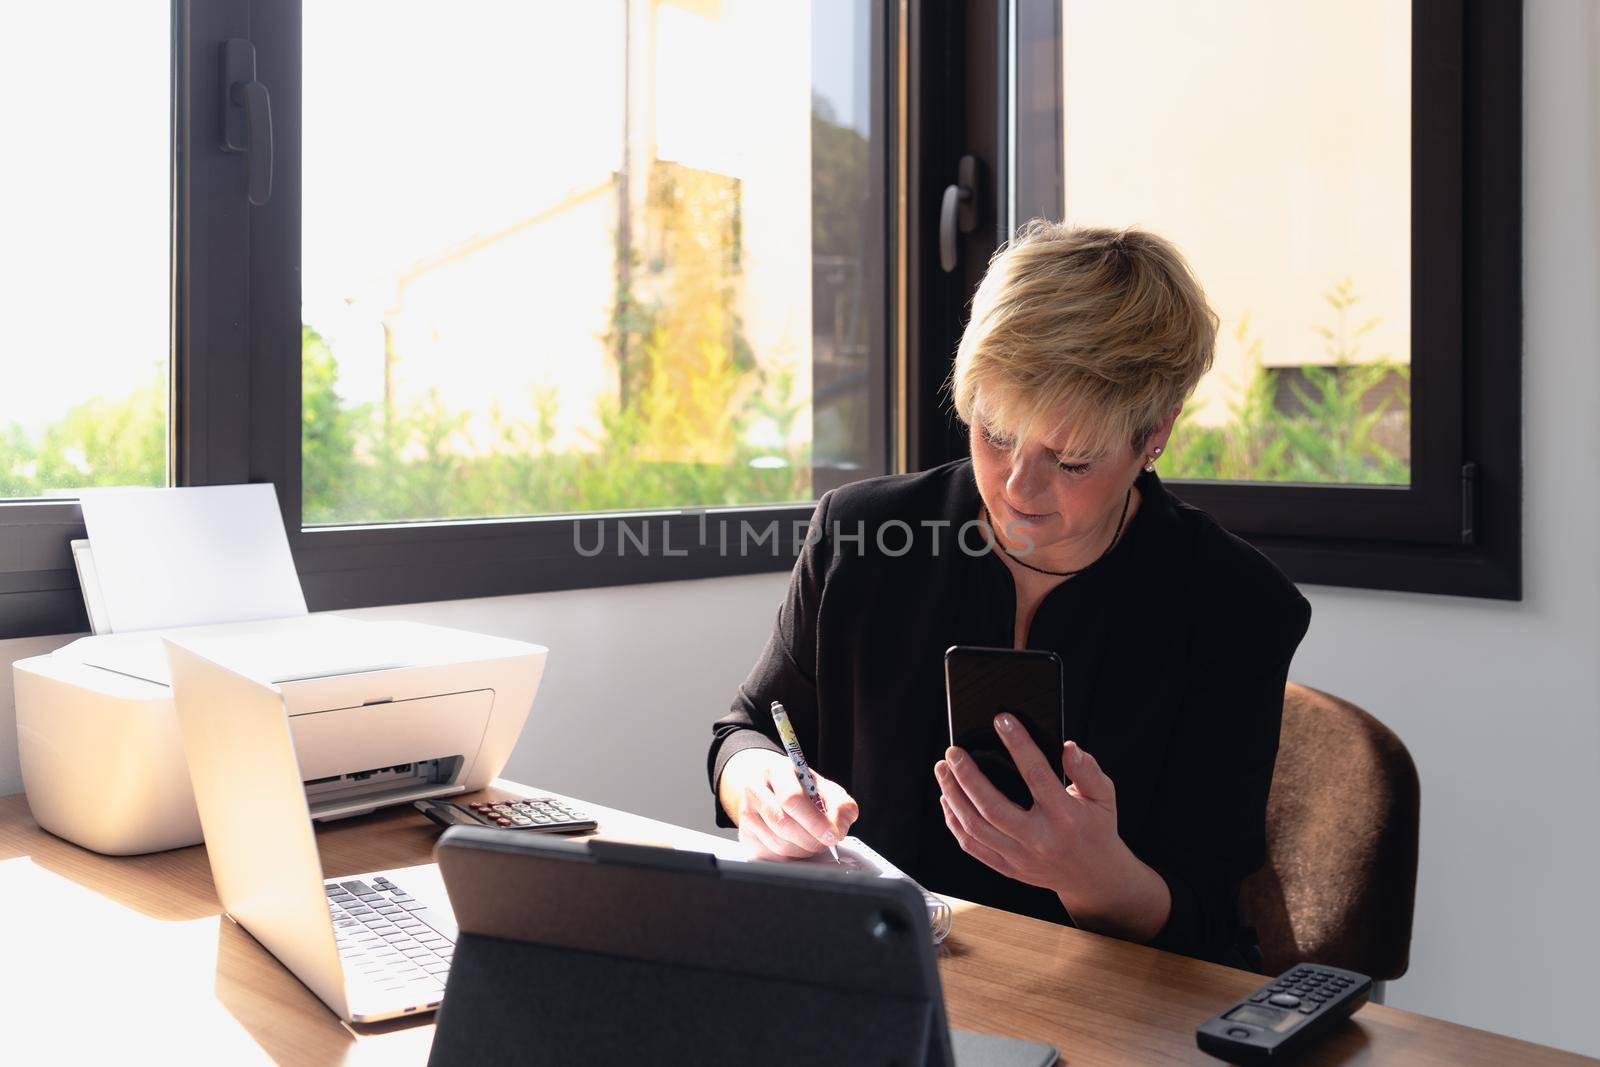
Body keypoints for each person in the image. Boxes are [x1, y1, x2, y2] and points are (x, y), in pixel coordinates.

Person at [706, 222, 1312, 965]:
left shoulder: (1235, 606)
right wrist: (759, 786)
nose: (1019, 490)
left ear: (1155, 434)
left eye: (1073, 460)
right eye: (995, 433)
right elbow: (745, 730)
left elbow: (1210, 924)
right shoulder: (861, 536)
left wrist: (1095, 876)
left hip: (1105, 1007)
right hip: (879, 975)